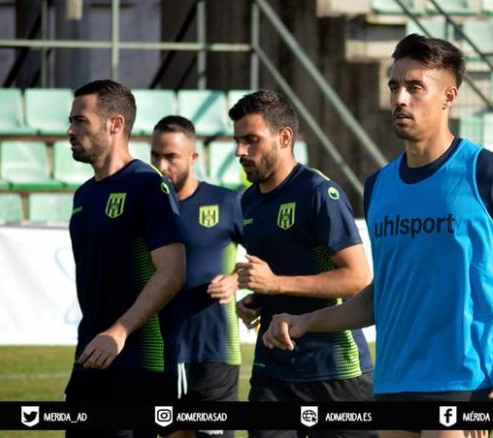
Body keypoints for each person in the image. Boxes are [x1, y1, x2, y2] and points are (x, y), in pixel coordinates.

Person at [262, 34, 493, 438]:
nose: (400, 98)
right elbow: (378, 298)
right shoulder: (379, 186)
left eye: (415, 87)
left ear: (448, 96)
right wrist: (304, 322)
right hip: (393, 382)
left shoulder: (487, 174)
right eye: (394, 86)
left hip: (464, 382)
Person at [230, 89, 377, 438]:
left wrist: (275, 284)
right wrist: (258, 300)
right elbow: (284, 272)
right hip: (272, 372)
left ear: (284, 137)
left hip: (334, 372)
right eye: (237, 141)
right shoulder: (248, 202)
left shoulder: (317, 193)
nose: (240, 152)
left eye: (251, 140)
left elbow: (357, 277)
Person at [65, 80, 186, 437]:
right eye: (70, 121)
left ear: (115, 124)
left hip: (139, 364)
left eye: (80, 121)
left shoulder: (148, 186)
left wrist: (118, 332)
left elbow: (173, 271)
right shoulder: (84, 195)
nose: (70, 131)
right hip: (90, 356)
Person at [151, 115, 243, 438]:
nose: (162, 165)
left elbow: (267, 257)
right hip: (164, 352)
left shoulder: (227, 202)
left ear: (193, 157)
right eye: (156, 156)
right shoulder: (150, 209)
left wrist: (236, 280)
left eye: (171, 157)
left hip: (214, 352)